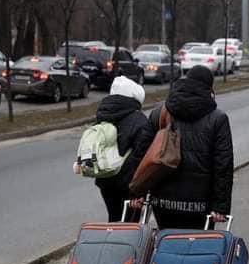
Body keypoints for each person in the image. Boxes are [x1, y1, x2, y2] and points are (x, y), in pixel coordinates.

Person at [146, 65, 234, 229]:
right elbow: (223, 165)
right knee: (198, 250)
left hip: (163, 201)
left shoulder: (160, 112)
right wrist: (220, 207)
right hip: (200, 204)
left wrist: (138, 192)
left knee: (166, 246)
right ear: (209, 88)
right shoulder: (218, 119)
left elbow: (143, 153)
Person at [92, 76, 153, 222]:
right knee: (130, 226)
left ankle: (112, 242)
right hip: (129, 186)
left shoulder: (102, 115)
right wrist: (138, 191)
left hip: (105, 178)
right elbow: (141, 158)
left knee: (114, 219)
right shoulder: (140, 121)